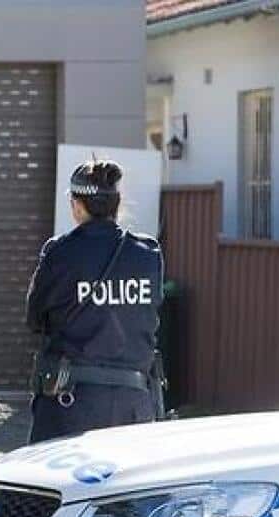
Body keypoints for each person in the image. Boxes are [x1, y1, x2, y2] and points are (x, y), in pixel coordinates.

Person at [25, 160, 165, 444]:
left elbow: (35, 318)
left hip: (70, 404)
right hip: (134, 404)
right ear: (117, 204)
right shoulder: (148, 254)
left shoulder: (60, 253)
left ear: (77, 205)